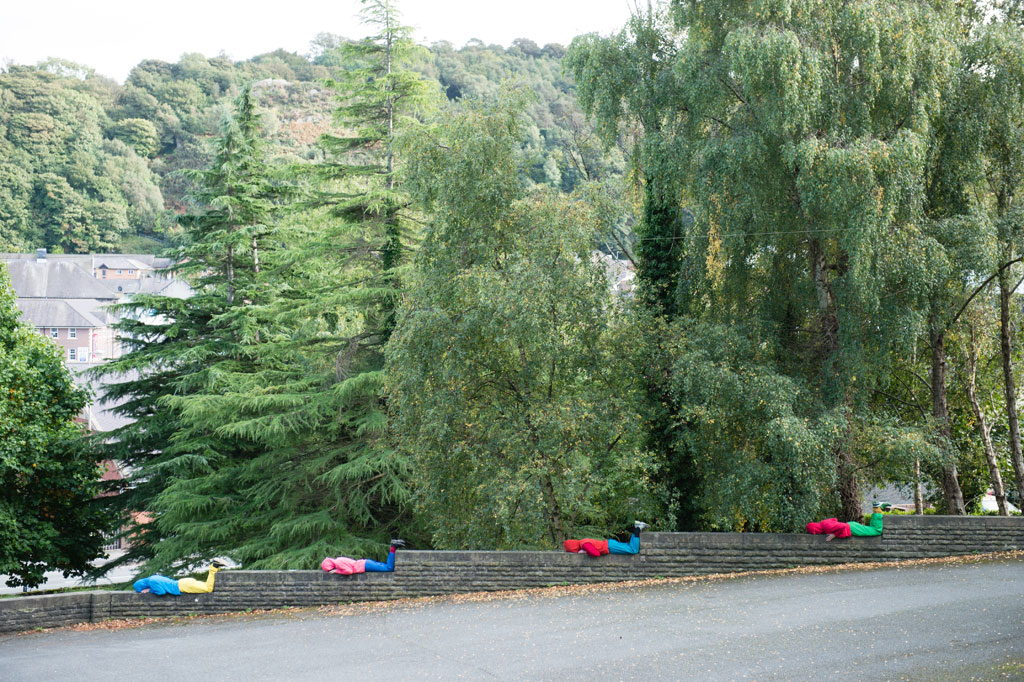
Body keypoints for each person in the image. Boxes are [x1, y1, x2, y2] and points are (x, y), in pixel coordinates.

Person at [133, 560, 228, 595]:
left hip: (183, 586)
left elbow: (161, 592)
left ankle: (213, 567)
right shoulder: (153, 577)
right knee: (206, 585)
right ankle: (217, 568)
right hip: (183, 582)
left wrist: (149, 591)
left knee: (208, 589)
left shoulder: (152, 582)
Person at [806, 503, 887, 541]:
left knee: (876, 530)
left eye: (814, 532)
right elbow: (834, 520)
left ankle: (877, 508)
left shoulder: (826, 527)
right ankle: (876, 508)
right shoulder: (823, 523)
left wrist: (834, 534)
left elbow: (842, 527)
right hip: (851, 526)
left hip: (851, 528)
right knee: (871, 529)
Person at [321, 539, 405, 575]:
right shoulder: (338, 559)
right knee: (385, 567)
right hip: (365, 564)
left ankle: (393, 547)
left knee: (389, 568)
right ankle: (394, 547)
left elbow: (349, 571)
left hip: (364, 566)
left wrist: (337, 571)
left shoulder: (338, 564)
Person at [563, 521, 648, 557]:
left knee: (633, 550)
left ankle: (637, 529)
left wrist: (585, 552)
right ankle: (636, 527)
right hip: (609, 544)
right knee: (629, 546)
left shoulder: (584, 545)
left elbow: (596, 554)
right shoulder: (582, 541)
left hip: (610, 547)